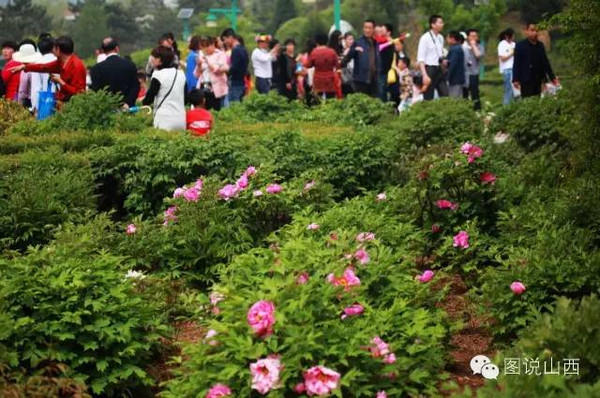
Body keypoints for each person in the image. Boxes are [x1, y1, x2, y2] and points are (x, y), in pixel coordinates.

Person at [11, 36, 86, 106]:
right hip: (65, 102)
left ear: (58, 49)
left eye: (54, 48)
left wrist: (60, 81)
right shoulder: (61, 62)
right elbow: (44, 67)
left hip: (75, 105)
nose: (52, 51)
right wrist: (25, 67)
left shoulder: (76, 66)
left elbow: (79, 92)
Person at [142, 45, 186, 131]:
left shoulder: (158, 75)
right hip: (181, 118)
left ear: (160, 60)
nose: (151, 59)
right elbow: (186, 97)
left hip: (163, 119)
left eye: (154, 57)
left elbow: (149, 99)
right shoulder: (181, 74)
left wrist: (142, 102)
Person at [89, 38, 139, 108]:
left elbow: (95, 91)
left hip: (106, 109)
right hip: (126, 108)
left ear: (103, 51)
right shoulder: (130, 65)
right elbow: (135, 87)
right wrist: (128, 103)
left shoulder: (96, 69)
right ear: (117, 49)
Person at [512, 22, 558, 99]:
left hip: (538, 78)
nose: (535, 33)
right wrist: (515, 79)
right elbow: (516, 63)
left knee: (537, 100)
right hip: (525, 79)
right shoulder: (520, 46)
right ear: (526, 31)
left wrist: (552, 77)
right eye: (532, 30)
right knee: (527, 101)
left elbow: (545, 62)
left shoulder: (540, 46)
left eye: (536, 31)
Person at [342, 19, 380, 97]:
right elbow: (347, 59)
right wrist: (353, 50)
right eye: (365, 27)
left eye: (370, 28)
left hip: (374, 80)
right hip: (360, 79)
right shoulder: (358, 42)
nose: (367, 30)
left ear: (373, 29)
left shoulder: (376, 43)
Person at [417, 15, 449, 100]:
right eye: (440, 22)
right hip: (429, 69)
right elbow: (421, 59)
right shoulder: (425, 38)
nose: (442, 24)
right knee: (428, 97)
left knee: (445, 94)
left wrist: (444, 61)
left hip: (438, 69)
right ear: (433, 25)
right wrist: (424, 75)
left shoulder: (441, 38)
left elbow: (440, 54)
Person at [197, 37, 229, 110]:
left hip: (215, 89)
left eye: (207, 46)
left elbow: (218, 70)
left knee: (216, 109)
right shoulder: (202, 56)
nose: (206, 49)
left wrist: (207, 62)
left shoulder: (220, 54)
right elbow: (196, 75)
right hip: (203, 87)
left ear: (213, 44)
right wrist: (199, 65)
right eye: (204, 46)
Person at [28, 36, 56, 115]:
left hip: (44, 102)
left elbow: (36, 88)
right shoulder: (59, 61)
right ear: (53, 48)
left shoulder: (37, 63)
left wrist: (35, 108)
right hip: (60, 101)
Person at [307, 33, 340, 100]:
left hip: (318, 79)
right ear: (327, 41)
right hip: (330, 79)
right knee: (330, 99)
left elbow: (309, 65)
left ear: (317, 42)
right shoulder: (332, 52)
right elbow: (337, 65)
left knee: (318, 100)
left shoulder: (314, 52)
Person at [222, 29, 249, 103]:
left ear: (230, 37)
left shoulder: (236, 50)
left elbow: (234, 68)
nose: (224, 42)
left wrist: (225, 69)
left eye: (225, 39)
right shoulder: (243, 49)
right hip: (241, 83)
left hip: (235, 84)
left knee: (234, 107)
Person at [14, 39, 39, 108]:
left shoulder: (26, 69)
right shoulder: (38, 65)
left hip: (29, 103)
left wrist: (19, 106)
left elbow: (22, 91)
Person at [463, 29, 483, 110]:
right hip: (464, 74)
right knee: (464, 94)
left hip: (474, 74)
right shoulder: (463, 47)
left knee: (475, 93)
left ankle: (477, 110)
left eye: (475, 36)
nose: (474, 38)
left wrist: (474, 46)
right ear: (467, 37)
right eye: (472, 36)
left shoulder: (479, 47)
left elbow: (478, 55)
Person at [377, 23, 395, 102]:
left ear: (388, 32)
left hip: (383, 71)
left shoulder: (389, 43)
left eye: (382, 30)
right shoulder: (382, 41)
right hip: (380, 71)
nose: (380, 32)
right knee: (382, 91)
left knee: (381, 92)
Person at [498, 28, 516, 105]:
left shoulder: (514, 44)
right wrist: (512, 53)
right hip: (507, 69)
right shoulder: (502, 44)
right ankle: (506, 107)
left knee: (516, 91)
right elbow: (502, 58)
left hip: (515, 69)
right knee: (508, 90)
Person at [446, 31, 465, 98]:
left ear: (453, 39)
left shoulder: (455, 49)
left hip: (455, 79)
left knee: (454, 98)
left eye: (448, 37)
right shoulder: (458, 48)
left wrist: (448, 77)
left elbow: (453, 64)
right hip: (458, 79)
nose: (447, 39)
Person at [341, 33, 355, 97]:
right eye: (349, 39)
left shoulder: (355, 49)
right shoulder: (343, 51)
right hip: (346, 77)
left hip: (354, 75)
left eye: (352, 39)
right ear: (345, 40)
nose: (351, 41)